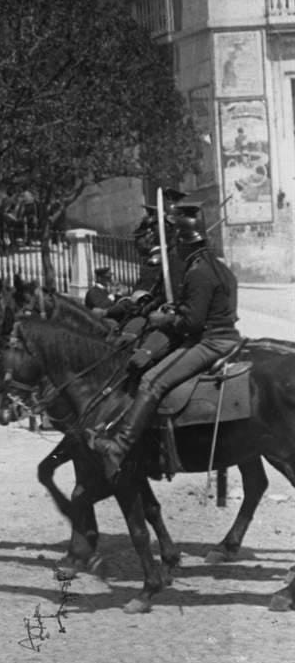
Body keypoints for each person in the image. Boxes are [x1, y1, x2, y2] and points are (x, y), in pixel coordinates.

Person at [92, 202, 241, 472]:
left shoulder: (198, 272)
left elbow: (192, 323)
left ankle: (120, 445)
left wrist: (165, 318)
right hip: (228, 335)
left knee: (151, 381)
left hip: (211, 341)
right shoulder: (221, 268)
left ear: (185, 244)